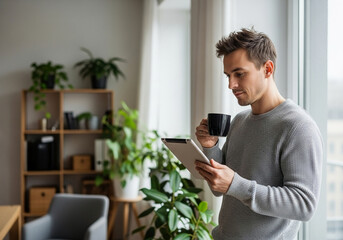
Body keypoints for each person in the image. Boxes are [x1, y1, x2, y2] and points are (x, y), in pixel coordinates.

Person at [195, 28, 323, 240]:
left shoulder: (298, 127)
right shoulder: (239, 121)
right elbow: (221, 189)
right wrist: (210, 146)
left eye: (239, 74)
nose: (231, 85)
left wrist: (236, 184)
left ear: (267, 69)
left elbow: (304, 205)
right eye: (228, 76)